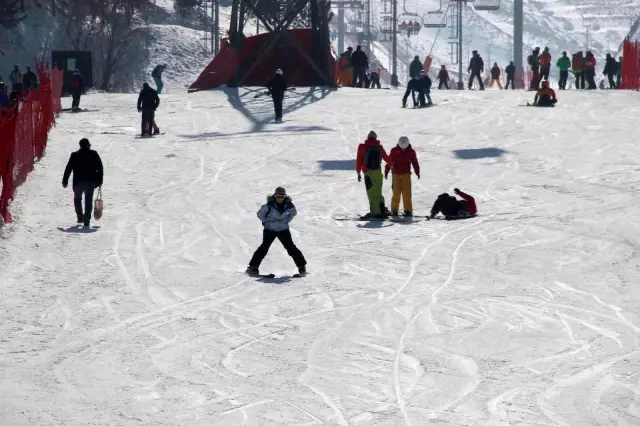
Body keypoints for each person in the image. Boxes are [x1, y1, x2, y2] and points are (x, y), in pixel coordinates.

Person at [246, 187, 307, 277]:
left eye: (282, 196)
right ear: (275, 196)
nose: (280, 199)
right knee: (264, 247)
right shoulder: (269, 205)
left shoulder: (289, 205)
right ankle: (253, 267)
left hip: (283, 229)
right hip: (270, 229)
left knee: (291, 247)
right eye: (278, 196)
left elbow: (293, 213)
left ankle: (302, 267)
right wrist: (265, 222)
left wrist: (285, 221)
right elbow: (260, 214)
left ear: (285, 196)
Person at [62, 138, 104, 227]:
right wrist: (100, 181)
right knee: (88, 200)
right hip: (90, 182)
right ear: (88, 145)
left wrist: (65, 181)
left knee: (77, 199)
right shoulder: (93, 154)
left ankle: (80, 216)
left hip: (78, 182)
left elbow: (68, 168)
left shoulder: (74, 155)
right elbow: (100, 168)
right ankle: (86, 220)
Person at [356, 130, 391, 219]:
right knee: (378, 193)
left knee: (371, 194)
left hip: (368, 173)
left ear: (367, 138)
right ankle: (382, 209)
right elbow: (386, 157)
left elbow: (359, 160)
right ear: (376, 138)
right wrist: (392, 166)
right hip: (378, 173)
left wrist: (358, 172)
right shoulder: (379, 147)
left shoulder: (362, 147)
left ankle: (375, 212)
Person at [384, 136, 420, 216]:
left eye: (405, 148)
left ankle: (408, 210)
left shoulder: (411, 152)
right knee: (396, 193)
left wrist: (417, 171)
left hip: (406, 175)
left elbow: (415, 162)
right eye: (402, 148)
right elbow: (389, 161)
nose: (403, 149)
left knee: (407, 193)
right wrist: (386, 171)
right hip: (396, 174)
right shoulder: (394, 151)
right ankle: (394, 210)